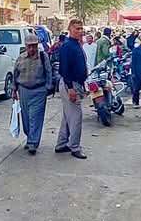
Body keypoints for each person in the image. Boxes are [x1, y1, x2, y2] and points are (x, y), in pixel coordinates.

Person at [11, 32, 52, 155]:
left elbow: (49, 72)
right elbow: (15, 74)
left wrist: (48, 88)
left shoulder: (43, 57)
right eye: (29, 46)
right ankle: (30, 138)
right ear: (26, 46)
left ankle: (33, 142)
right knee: (26, 118)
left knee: (35, 117)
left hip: (39, 91)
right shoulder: (20, 58)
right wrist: (14, 90)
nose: (32, 49)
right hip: (23, 91)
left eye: (34, 46)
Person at [56, 18, 89, 159]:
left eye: (81, 28)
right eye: (77, 28)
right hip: (70, 84)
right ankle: (74, 146)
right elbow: (64, 69)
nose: (80, 31)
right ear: (70, 29)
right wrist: (70, 88)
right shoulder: (67, 46)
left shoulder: (76, 44)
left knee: (67, 116)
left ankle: (61, 143)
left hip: (76, 84)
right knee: (76, 117)